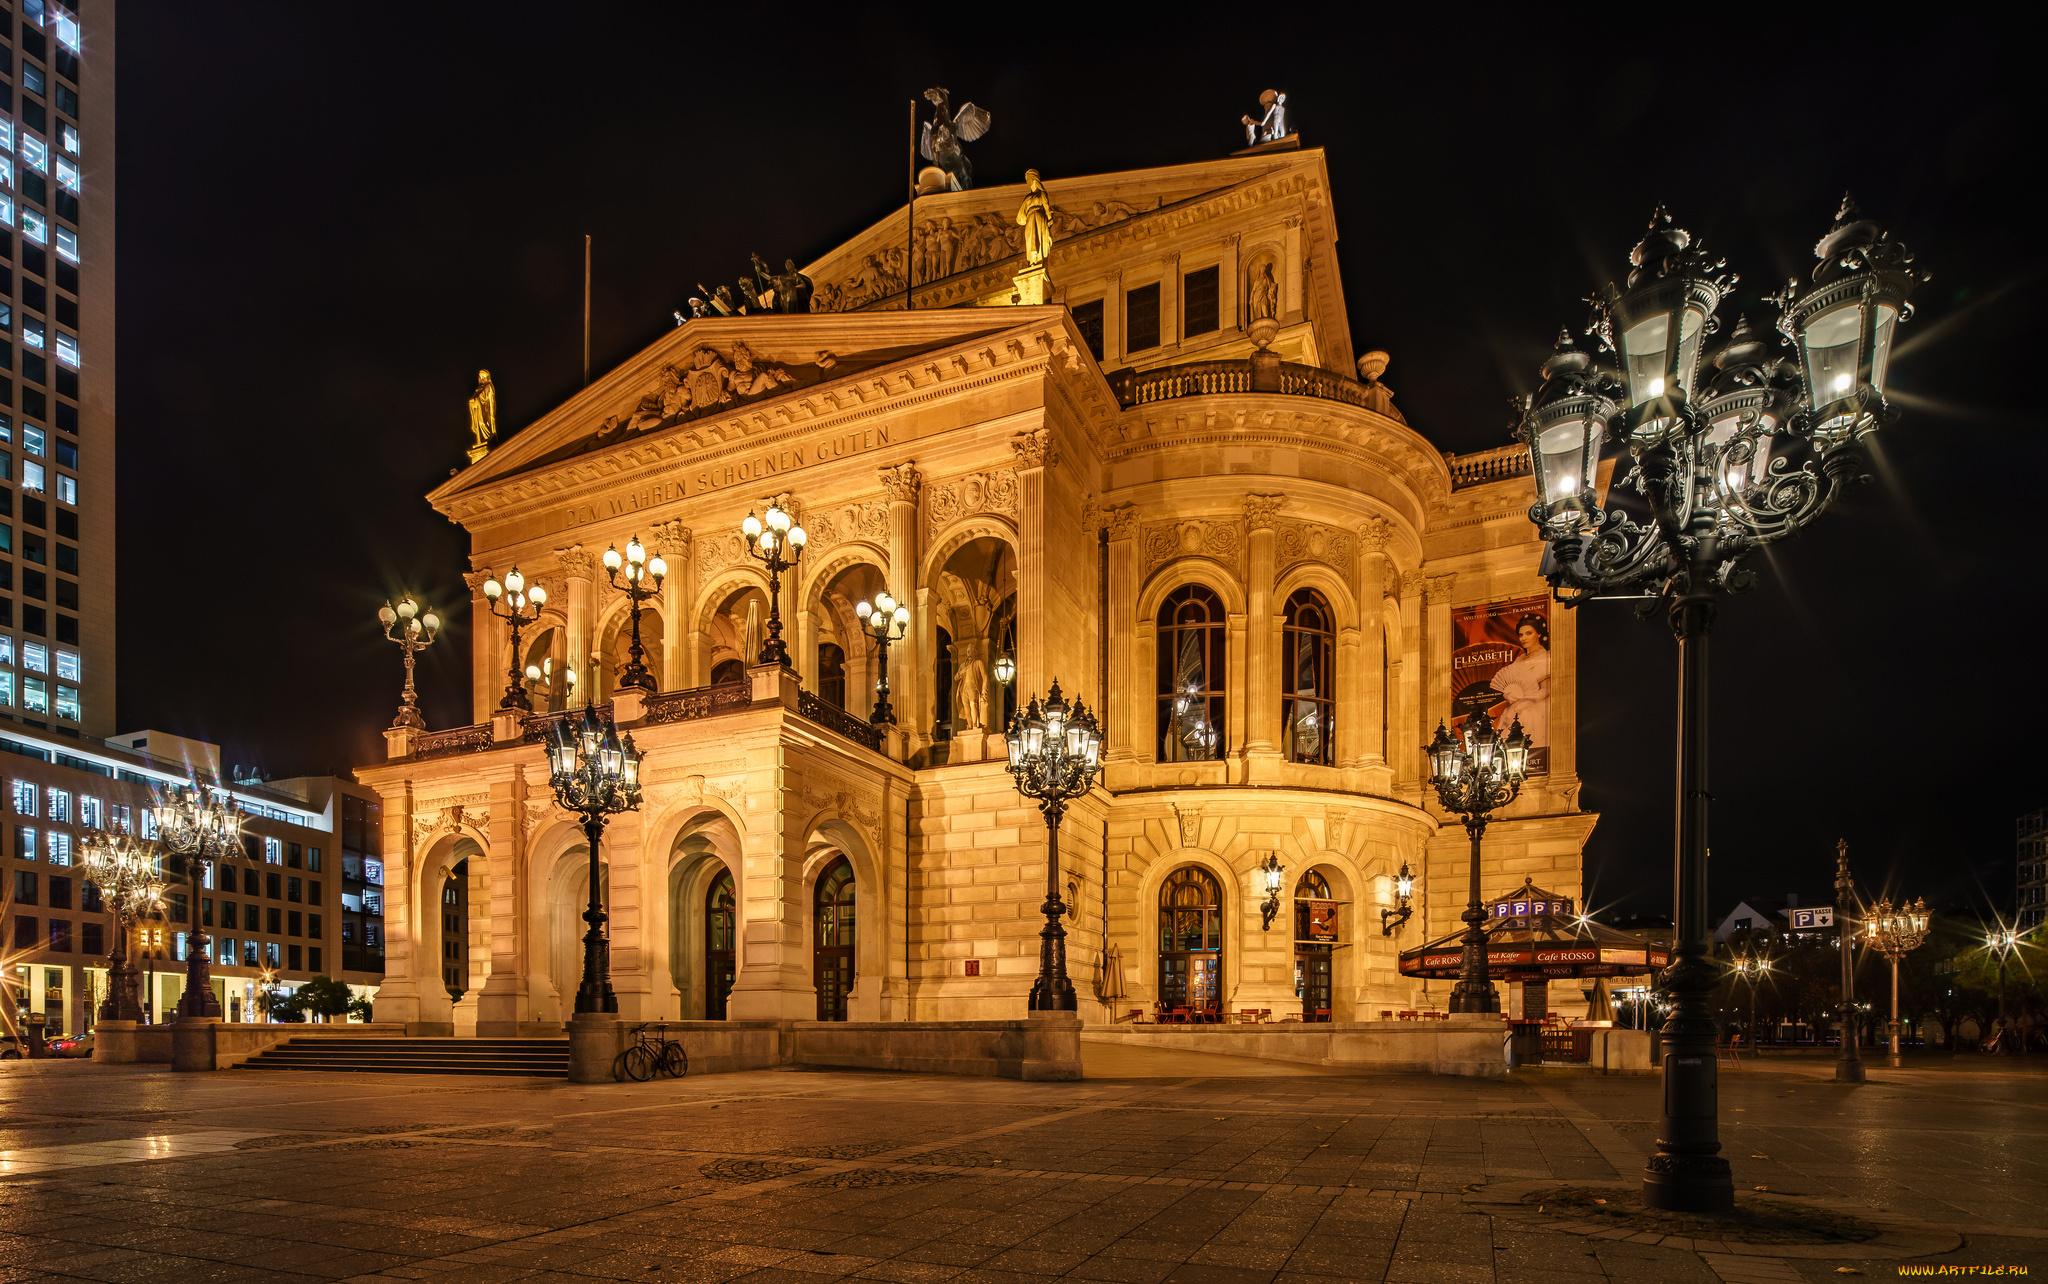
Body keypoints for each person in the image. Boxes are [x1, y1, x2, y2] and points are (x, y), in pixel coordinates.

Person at [1489, 613, 1550, 748]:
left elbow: (1546, 690)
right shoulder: (1520, 659)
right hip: (1512, 709)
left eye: (1529, 633)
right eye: (1521, 635)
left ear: (1539, 634)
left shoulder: (1545, 658)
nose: (1524, 638)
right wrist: (1509, 695)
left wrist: (1526, 703)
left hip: (1533, 710)